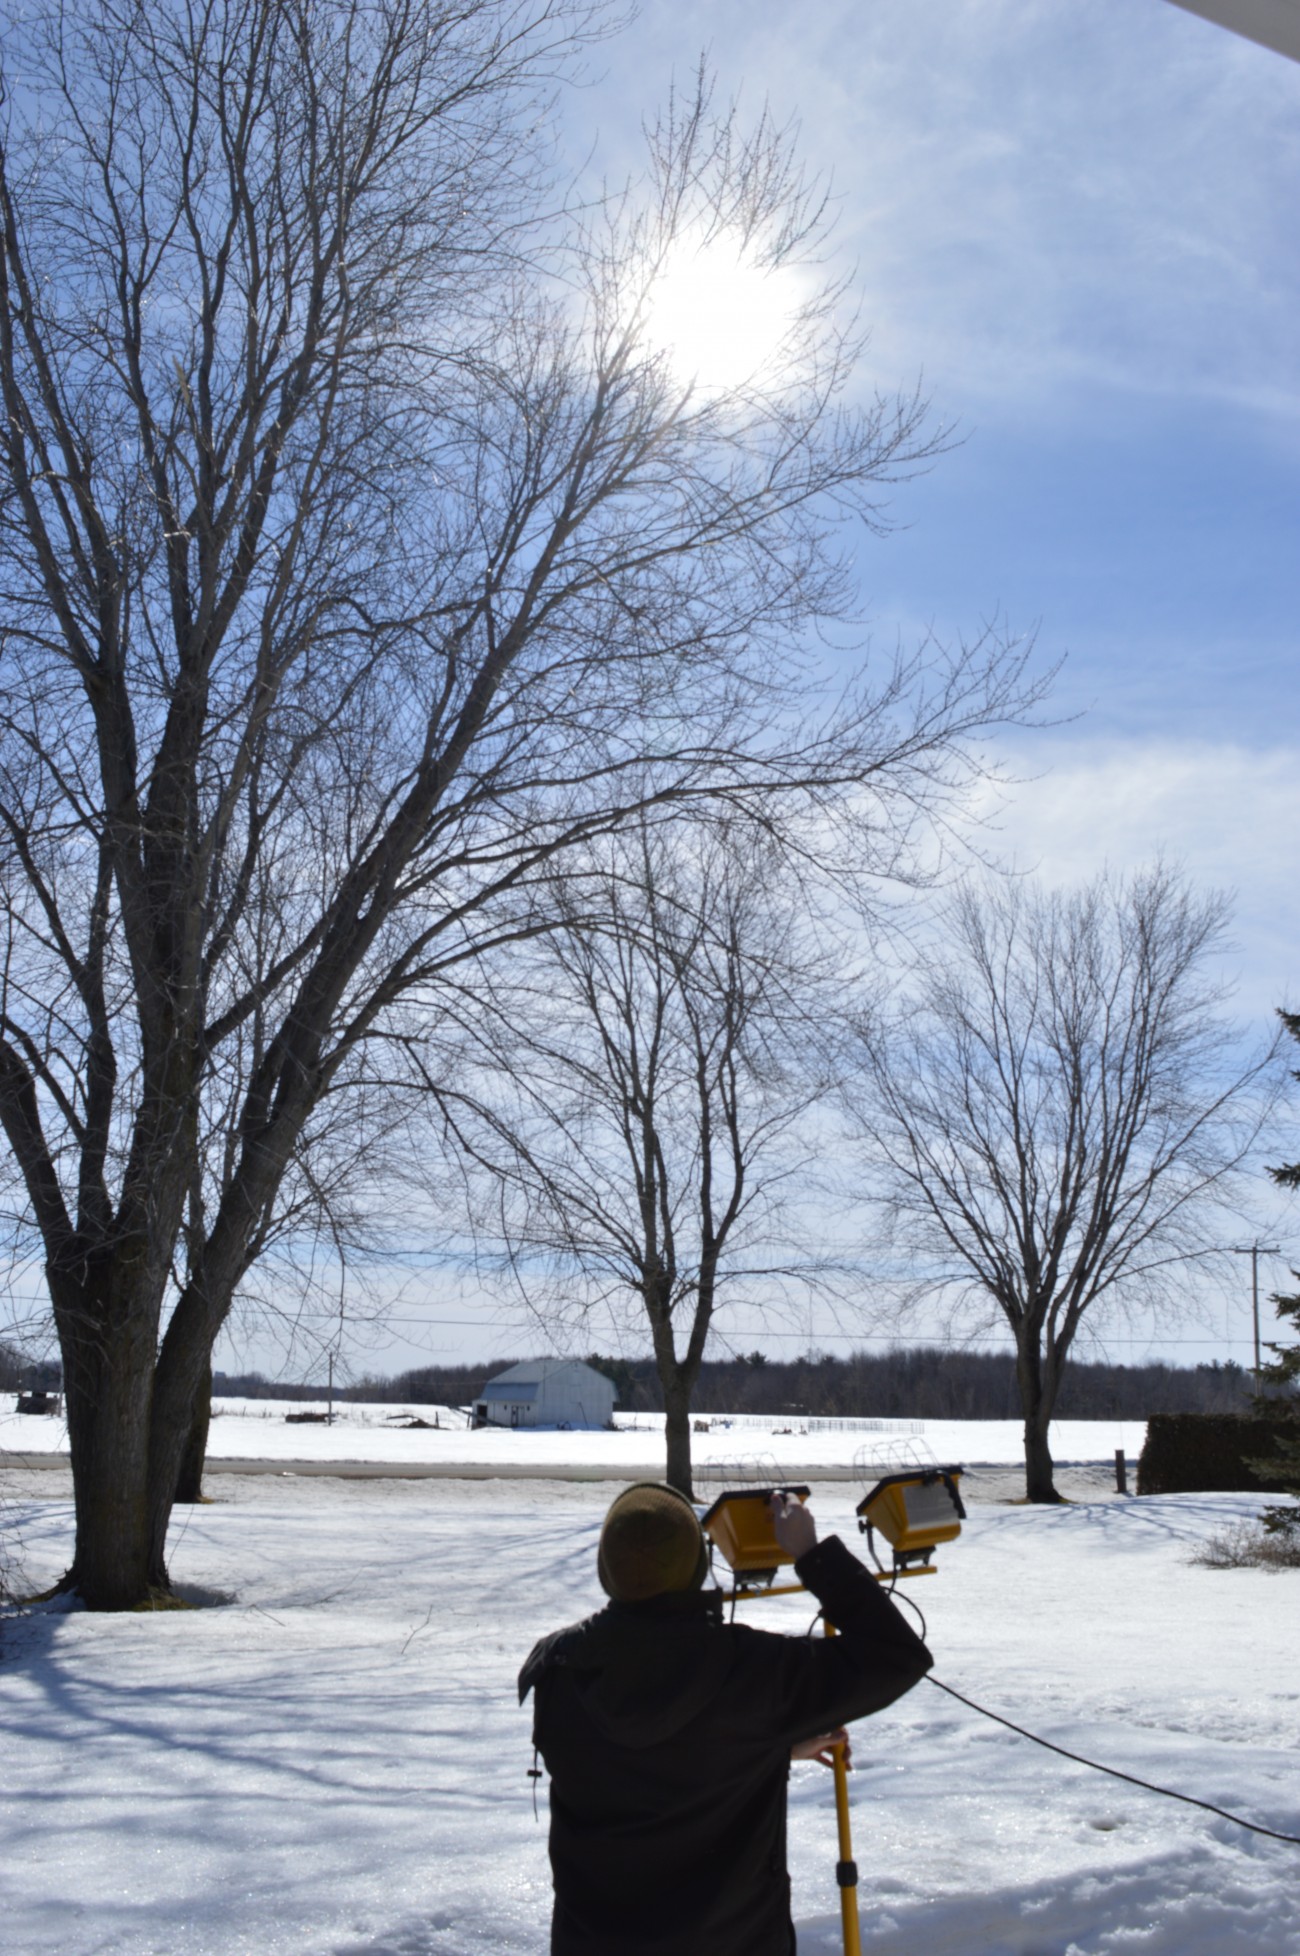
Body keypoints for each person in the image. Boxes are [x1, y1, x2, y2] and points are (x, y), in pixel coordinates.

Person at [519, 1480, 933, 1956]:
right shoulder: (750, 1671)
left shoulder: (557, 1671)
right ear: (696, 1567)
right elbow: (895, 1656)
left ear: (607, 1571)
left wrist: (770, 1749)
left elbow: (636, 1772)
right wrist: (811, 1553)